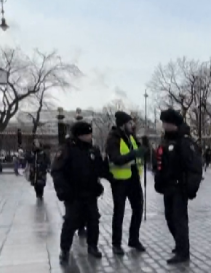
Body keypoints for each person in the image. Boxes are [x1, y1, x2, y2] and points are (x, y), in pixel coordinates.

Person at [53, 121, 110, 263]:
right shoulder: (67, 149)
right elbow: (57, 171)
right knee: (71, 221)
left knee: (93, 220)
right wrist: (63, 191)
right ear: (80, 135)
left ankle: (92, 246)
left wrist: (105, 165)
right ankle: (64, 250)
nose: (90, 136)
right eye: (88, 134)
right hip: (73, 194)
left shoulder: (93, 150)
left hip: (90, 193)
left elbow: (99, 169)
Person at [155, 109, 197, 264]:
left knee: (179, 220)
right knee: (169, 217)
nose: (164, 126)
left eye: (166, 123)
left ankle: (183, 251)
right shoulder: (166, 140)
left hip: (180, 187)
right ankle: (179, 244)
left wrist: (191, 187)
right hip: (168, 187)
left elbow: (194, 166)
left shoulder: (184, 141)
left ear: (173, 124)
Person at [106, 111, 147, 256]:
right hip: (119, 180)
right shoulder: (113, 138)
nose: (133, 125)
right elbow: (116, 158)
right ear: (123, 125)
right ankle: (116, 243)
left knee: (138, 209)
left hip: (134, 178)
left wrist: (144, 152)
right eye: (130, 123)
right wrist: (134, 154)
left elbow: (138, 154)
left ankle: (133, 239)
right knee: (119, 211)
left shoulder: (131, 137)